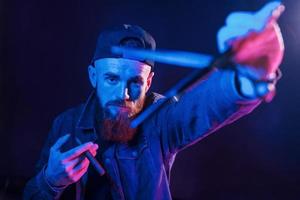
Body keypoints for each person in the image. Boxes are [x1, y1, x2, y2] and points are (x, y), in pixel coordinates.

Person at [23, 2, 284, 200]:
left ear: (148, 83)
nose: (123, 95)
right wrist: (50, 181)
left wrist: (251, 78)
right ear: (93, 76)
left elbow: (204, 105)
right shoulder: (65, 125)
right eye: (111, 79)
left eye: (135, 82)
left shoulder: (161, 117)